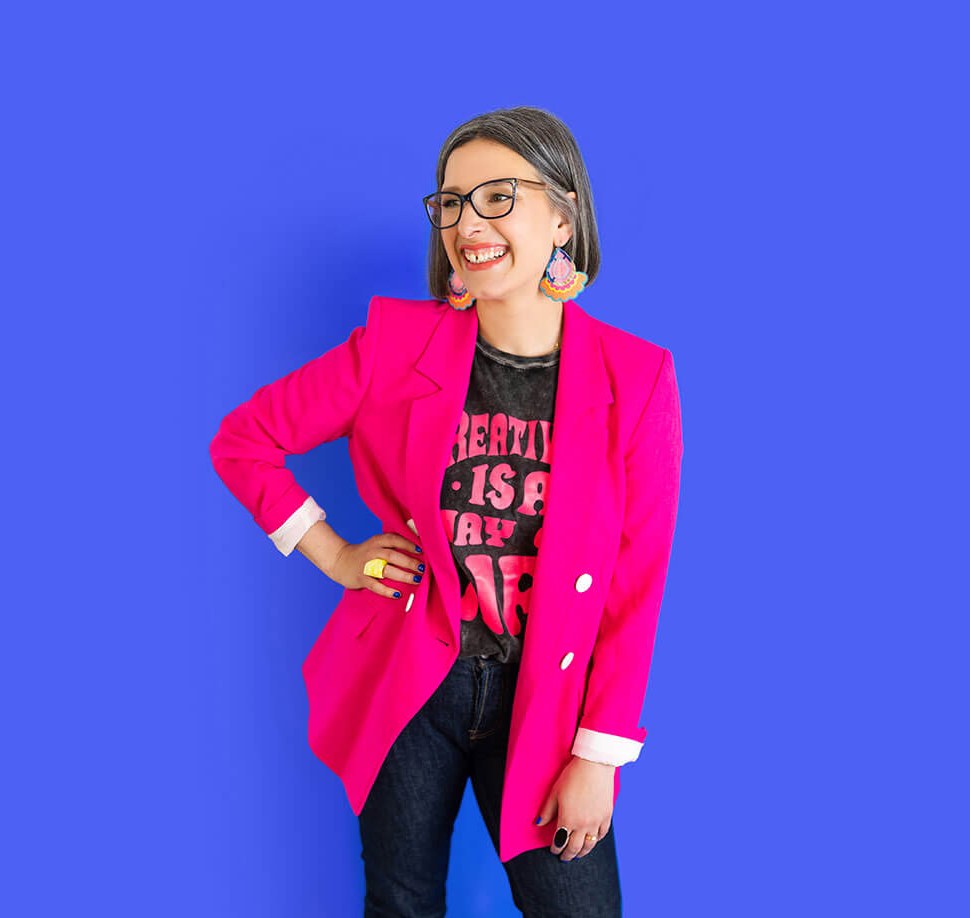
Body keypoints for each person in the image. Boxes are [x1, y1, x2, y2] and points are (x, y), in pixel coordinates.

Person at [209, 106, 683, 916]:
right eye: (452, 202)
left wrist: (599, 755)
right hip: (410, 680)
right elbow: (244, 440)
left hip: (544, 697)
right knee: (401, 903)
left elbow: (636, 586)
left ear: (562, 215)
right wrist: (334, 554)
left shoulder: (636, 380)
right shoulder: (393, 347)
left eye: (498, 197)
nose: (468, 223)